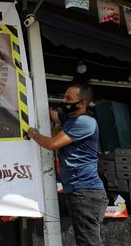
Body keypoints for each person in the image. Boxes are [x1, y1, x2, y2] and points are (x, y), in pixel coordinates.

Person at [27, 83, 108, 246]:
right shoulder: (70, 119)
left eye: (68, 98)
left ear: (82, 103)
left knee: (88, 242)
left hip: (85, 192)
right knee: (85, 241)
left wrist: (33, 133)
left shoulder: (85, 122)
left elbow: (51, 144)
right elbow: (53, 115)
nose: (64, 101)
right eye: (64, 97)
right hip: (80, 192)